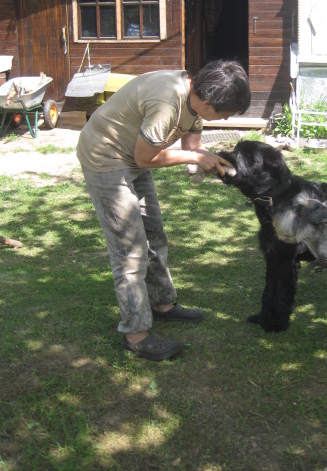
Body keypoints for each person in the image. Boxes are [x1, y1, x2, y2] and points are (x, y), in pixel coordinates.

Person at [76, 60, 251, 361]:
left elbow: (192, 145)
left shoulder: (195, 100)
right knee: (130, 250)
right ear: (208, 102)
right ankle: (135, 334)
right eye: (225, 113)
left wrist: (204, 163)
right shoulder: (167, 102)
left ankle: (162, 303)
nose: (226, 118)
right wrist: (193, 158)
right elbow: (146, 158)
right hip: (105, 159)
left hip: (133, 156)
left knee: (154, 234)